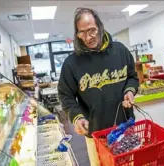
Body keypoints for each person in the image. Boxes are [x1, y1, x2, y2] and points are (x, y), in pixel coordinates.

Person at [58, 8, 139, 166]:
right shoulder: (71, 63)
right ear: (77, 34)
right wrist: (77, 117)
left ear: (100, 27)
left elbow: (132, 77)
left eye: (92, 30)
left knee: (129, 163)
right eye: (82, 33)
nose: (88, 37)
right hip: (96, 133)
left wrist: (130, 91)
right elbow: (66, 96)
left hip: (125, 127)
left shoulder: (120, 51)